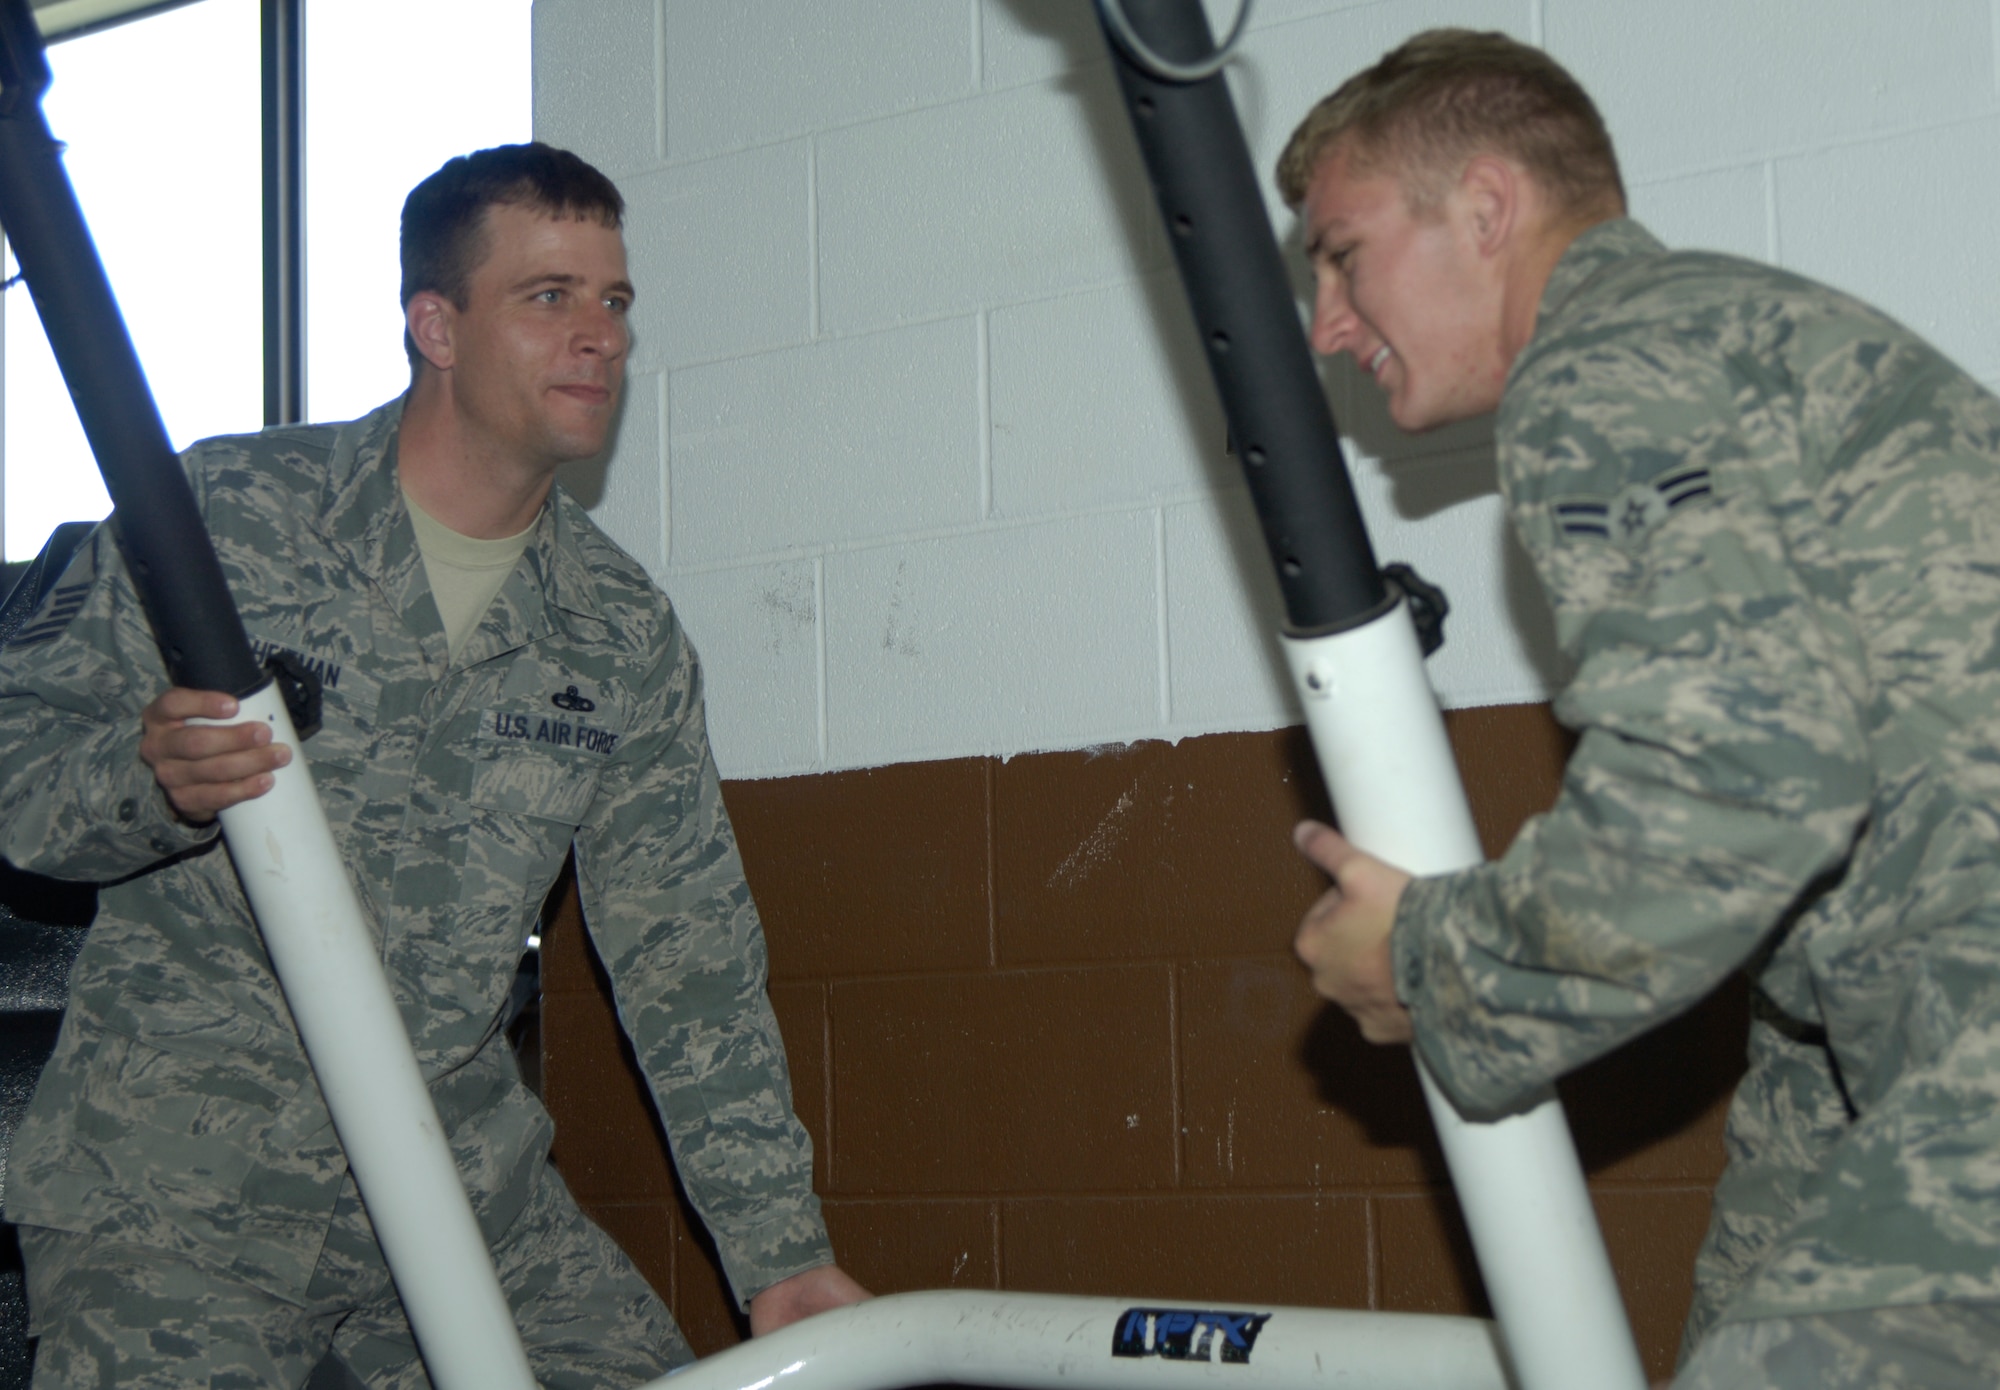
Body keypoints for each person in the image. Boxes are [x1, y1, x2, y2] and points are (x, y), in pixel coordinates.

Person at [0, 142, 865, 1387]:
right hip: (176, 1196)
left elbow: (690, 961)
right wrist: (149, 786)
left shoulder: (618, 632)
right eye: (548, 296)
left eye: (614, 302)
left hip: (456, 1190)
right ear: (435, 325)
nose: (599, 338)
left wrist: (779, 1256)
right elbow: (20, 777)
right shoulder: (226, 517)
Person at [1280, 29, 2000, 1389]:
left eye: (1341, 251)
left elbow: (1738, 787)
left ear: (1486, 208)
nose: (1324, 321)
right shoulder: (1742, 335)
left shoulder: (1602, 369)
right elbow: (1826, 903)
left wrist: (1430, 964)